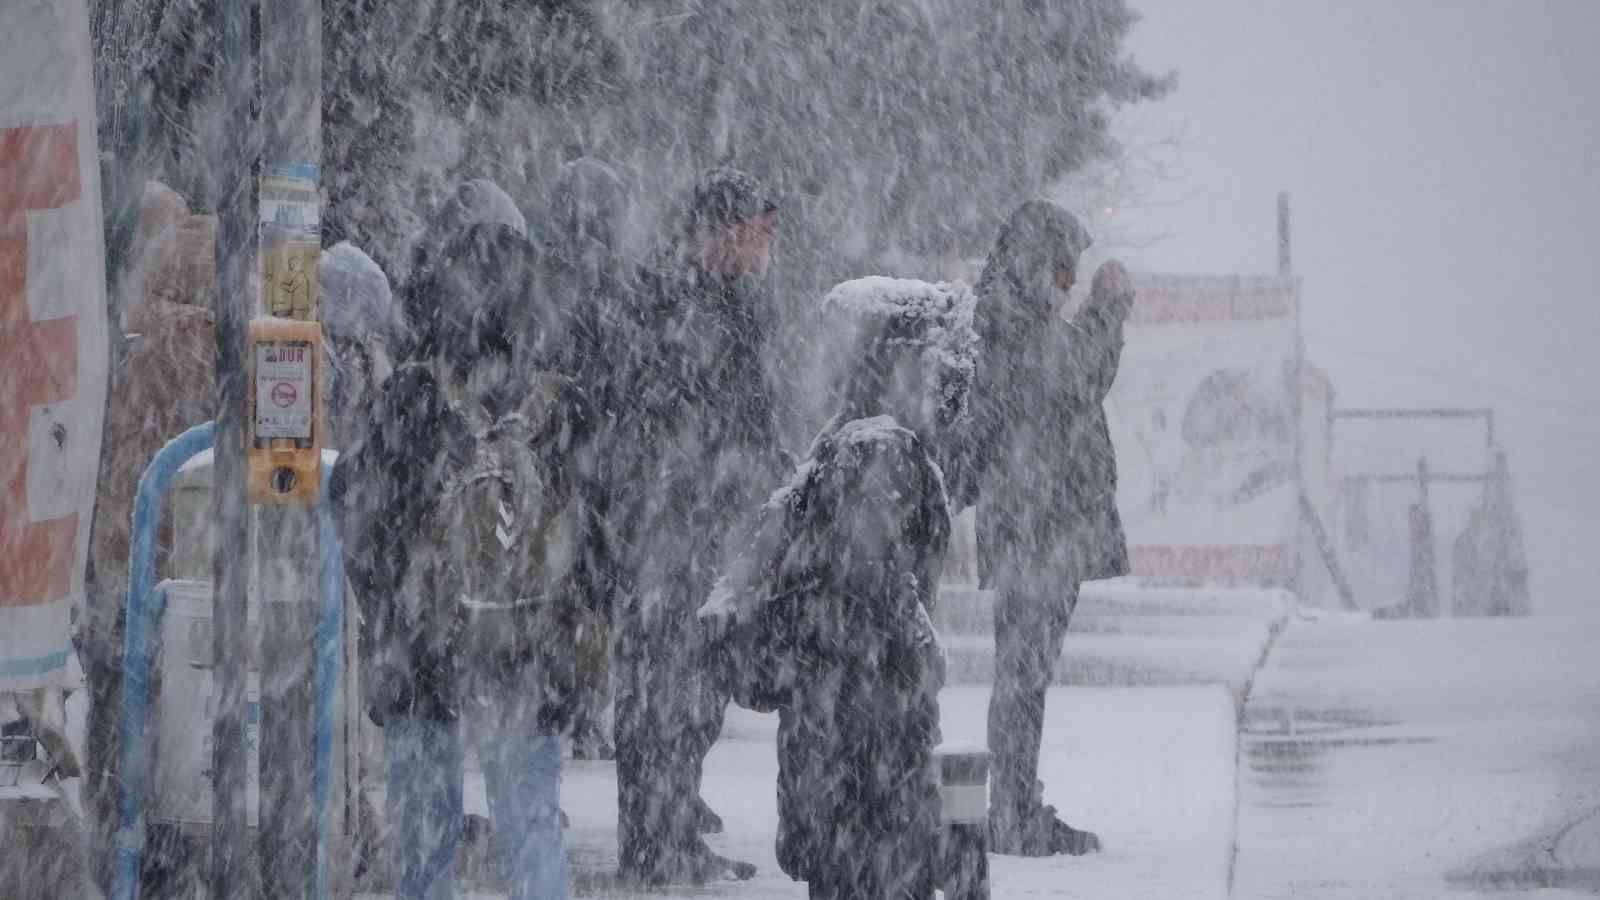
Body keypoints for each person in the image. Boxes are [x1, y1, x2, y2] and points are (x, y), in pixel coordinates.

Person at [330, 178, 602, 900]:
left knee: (425, 831)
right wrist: (576, 621)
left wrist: (396, 605)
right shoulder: (560, 401)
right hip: (530, 644)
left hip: (423, 644)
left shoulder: (413, 398)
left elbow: (354, 509)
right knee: (531, 824)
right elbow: (600, 531)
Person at [704, 276, 978, 899]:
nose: (957, 373)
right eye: (943, 355)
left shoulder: (844, 442)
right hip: (868, 738)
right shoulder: (879, 451)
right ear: (903, 360)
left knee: (849, 872)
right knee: (873, 875)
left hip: (838, 731)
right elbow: (869, 582)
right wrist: (919, 643)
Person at [612, 166, 780, 885]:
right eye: (762, 232)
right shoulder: (687, 309)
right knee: (671, 696)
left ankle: (667, 833)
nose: (769, 246)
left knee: (687, 693)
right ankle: (658, 846)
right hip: (677, 532)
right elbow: (690, 426)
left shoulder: (715, 302)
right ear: (730, 232)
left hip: (693, 529)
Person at [966, 200, 1135, 856]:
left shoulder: (1013, 317)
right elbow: (1076, 376)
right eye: (1064, 268)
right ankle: (1011, 811)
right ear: (1039, 263)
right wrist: (1108, 309)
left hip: (1040, 524)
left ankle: (1014, 802)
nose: (1070, 283)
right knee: (1023, 674)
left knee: (1026, 673)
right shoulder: (1012, 322)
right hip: (1036, 527)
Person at [542, 156, 636, 761]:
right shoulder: (617, 287)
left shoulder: (545, 280)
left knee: (554, 590)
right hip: (598, 461)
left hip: (556, 460)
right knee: (595, 593)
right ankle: (582, 709)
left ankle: (561, 708)